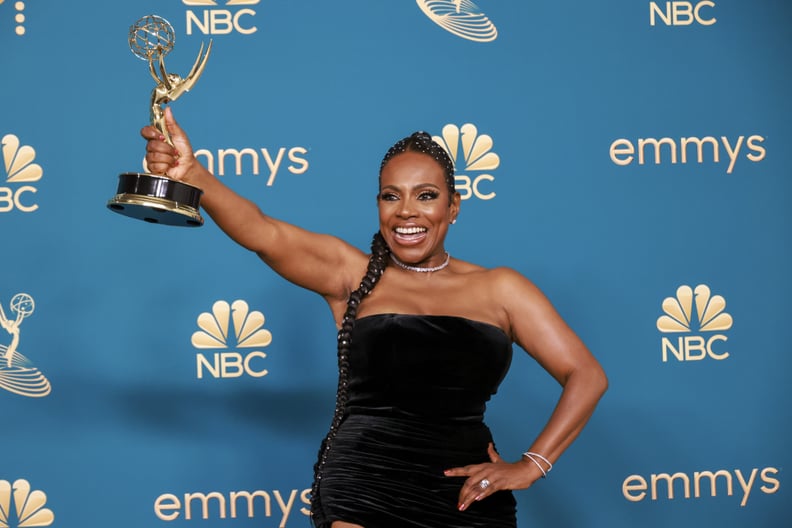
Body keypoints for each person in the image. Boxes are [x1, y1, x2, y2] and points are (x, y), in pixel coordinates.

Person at [141, 108, 608, 528]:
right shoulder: (352, 274)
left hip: (466, 496)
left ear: (453, 206)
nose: (407, 211)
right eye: (391, 196)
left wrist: (532, 464)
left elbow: (585, 375)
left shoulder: (502, 289)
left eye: (426, 196)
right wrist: (194, 175)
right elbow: (265, 233)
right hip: (364, 485)